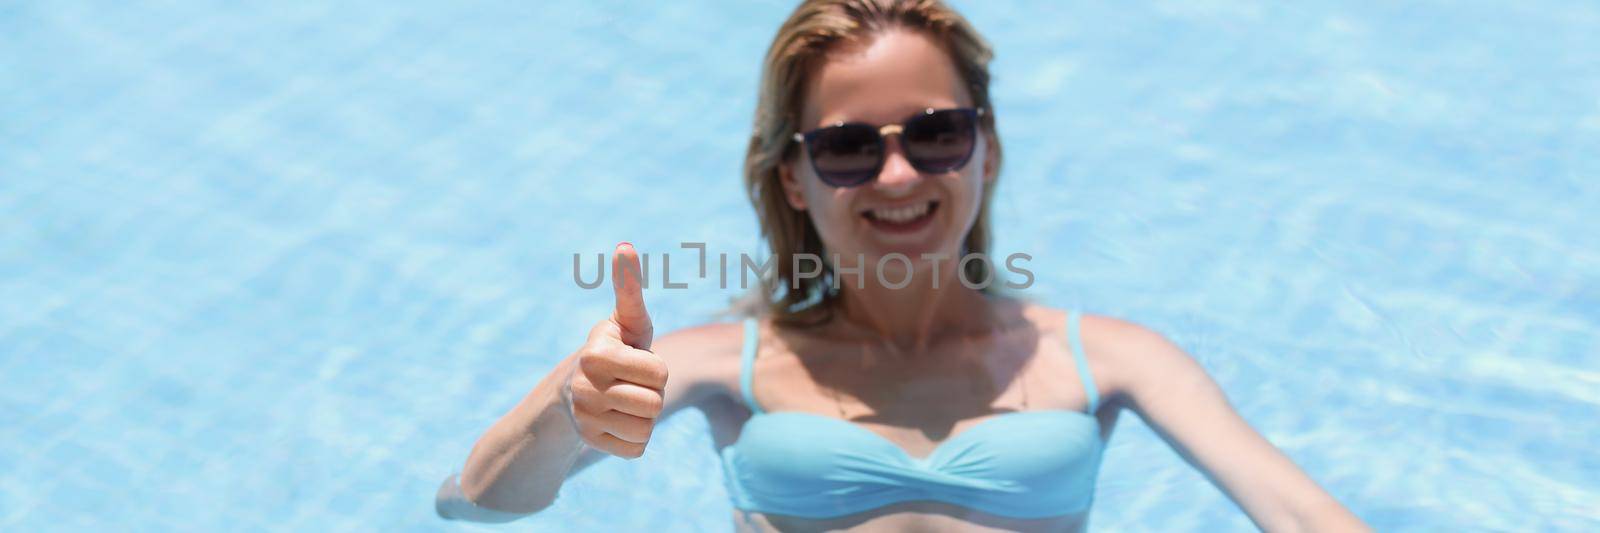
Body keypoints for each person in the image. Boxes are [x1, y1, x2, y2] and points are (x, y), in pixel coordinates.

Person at [436, 1, 1369, 530]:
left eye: (936, 133)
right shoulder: (718, 362)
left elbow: (1300, 514)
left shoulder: (1116, 359)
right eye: (846, 147)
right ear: (793, 179)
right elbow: (472, 503)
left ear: (987, 152)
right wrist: (570, 406)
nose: (897, 173)